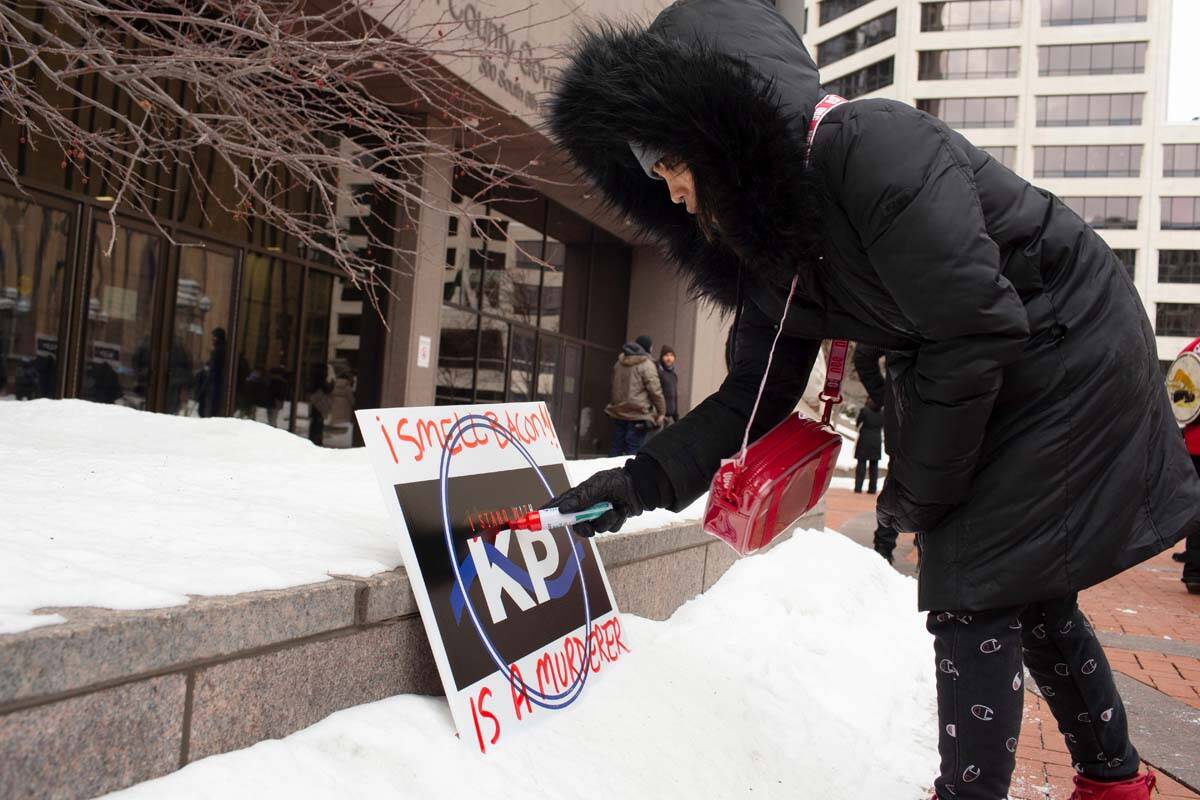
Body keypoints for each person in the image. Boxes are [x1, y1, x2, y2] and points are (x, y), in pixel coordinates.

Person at [546, 2, 1198, 798]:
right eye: (644, 167)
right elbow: (751, 399)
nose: (666, 185)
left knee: (971, 582)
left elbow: (974, 326)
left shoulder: (871, 145)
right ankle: (1115, 782)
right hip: (985, 356)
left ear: (715, 123)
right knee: (1018, 587)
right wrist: (638, 482)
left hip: (1068, 342)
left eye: (663, 154)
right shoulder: (769, 257)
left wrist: (920, 495)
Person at [855, 343, 902, 564]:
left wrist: (887, 398)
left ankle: (883, 545)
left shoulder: (904, 309)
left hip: (904, 416)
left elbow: (864, 354)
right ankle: (927, 546)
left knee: (897, 481)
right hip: (956, 416)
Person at [605, 335, 665, 456]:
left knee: (615, 448)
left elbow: (613, 385)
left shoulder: (619, 363)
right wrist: (661, 412)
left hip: (618, 413)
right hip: (638, 415)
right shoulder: (646, 364)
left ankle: (609, 474)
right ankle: (629, 475)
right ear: (647, 348)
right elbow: (655, 391)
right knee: (633, 451)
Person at [854, 398, 883, 495]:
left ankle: (858, 488)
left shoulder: (865, 410)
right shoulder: (882, 412)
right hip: (877, 440)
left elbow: (858, 423)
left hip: (864, 439)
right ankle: (872, 489)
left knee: (861, 464)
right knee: (874, 466)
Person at [657, 345, 680, 425]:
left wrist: (676, 417)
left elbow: (675, 396)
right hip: (659, 418)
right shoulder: (658, 373)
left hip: (670, 418)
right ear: (662, 357)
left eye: (671, 355)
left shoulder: (673, 375)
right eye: (666, 355)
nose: (669, 358)